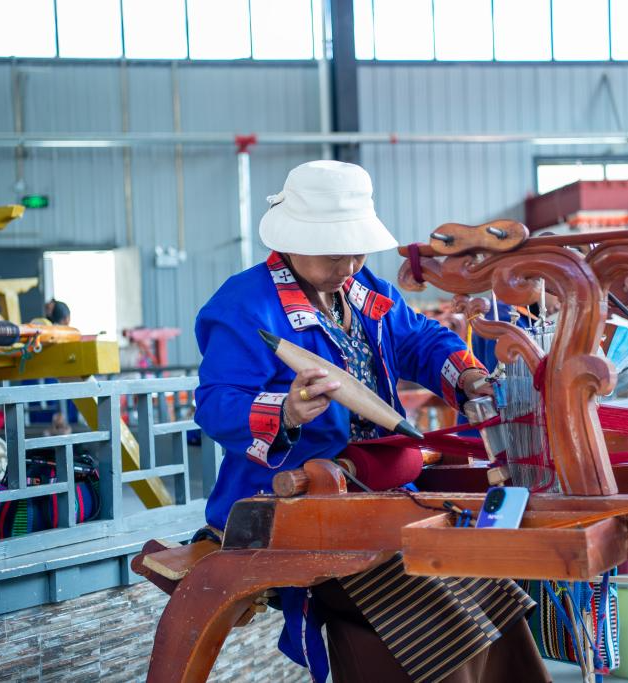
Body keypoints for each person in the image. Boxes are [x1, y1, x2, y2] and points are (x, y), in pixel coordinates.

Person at [194, 160, 549, 682]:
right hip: (295, 503)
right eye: (335, 252)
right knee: (429, 604)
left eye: (357, 250)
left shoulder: (361, 289)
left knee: (487, 585)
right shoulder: (244, 305)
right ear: (294, 240)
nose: (349, 263)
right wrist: (286, 410)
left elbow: (420, 341)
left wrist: (470, 376)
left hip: (378, 492)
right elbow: (215, 403)